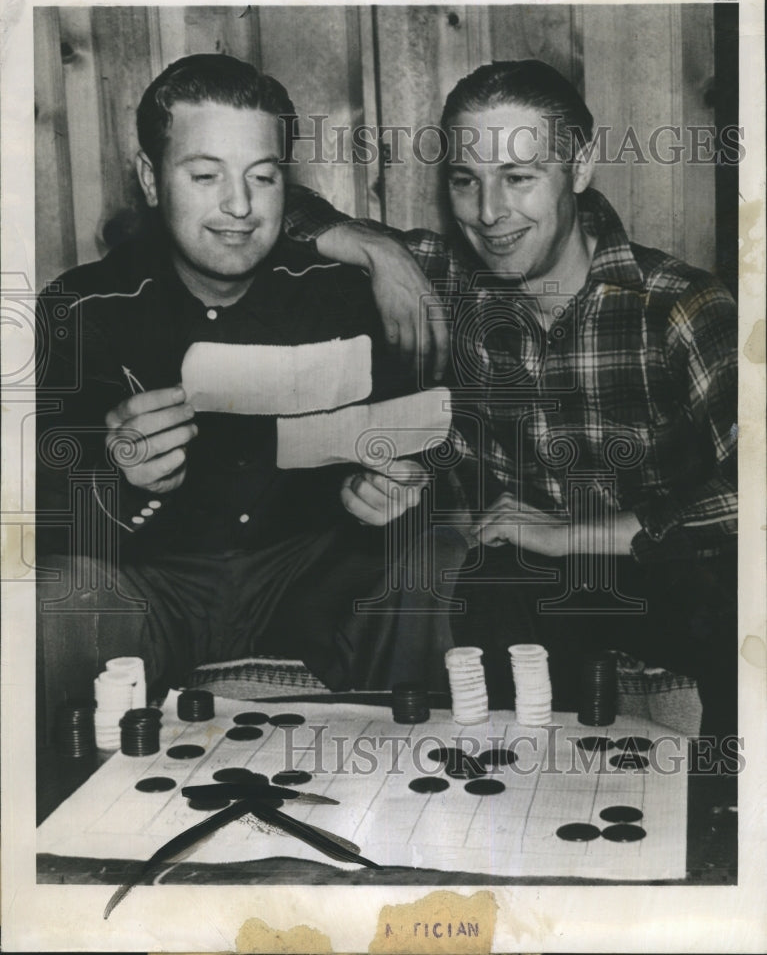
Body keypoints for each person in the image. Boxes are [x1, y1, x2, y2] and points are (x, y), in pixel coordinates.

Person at [300, 60, 738, 743]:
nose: (488, 213)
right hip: (519, 590)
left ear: (579, 166)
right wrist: (379, 253)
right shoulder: (440, 277)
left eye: (518, 178)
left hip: (665, 578)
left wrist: (575, 534)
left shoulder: (677, 305)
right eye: (464, 181)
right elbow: (269, 220)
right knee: (484, 576)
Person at [35, 53, 446, 741]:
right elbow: (42, 509)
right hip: (149, 582)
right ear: (150, 179)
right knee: (45, 600)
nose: (239, 205)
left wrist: (399, 486)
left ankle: (418, 801)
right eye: (204, 176)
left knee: (438, 550)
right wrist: (117, 475)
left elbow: (432, 441)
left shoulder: (339, 296)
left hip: (306, 575)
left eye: (262, 176)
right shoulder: (84, 307)